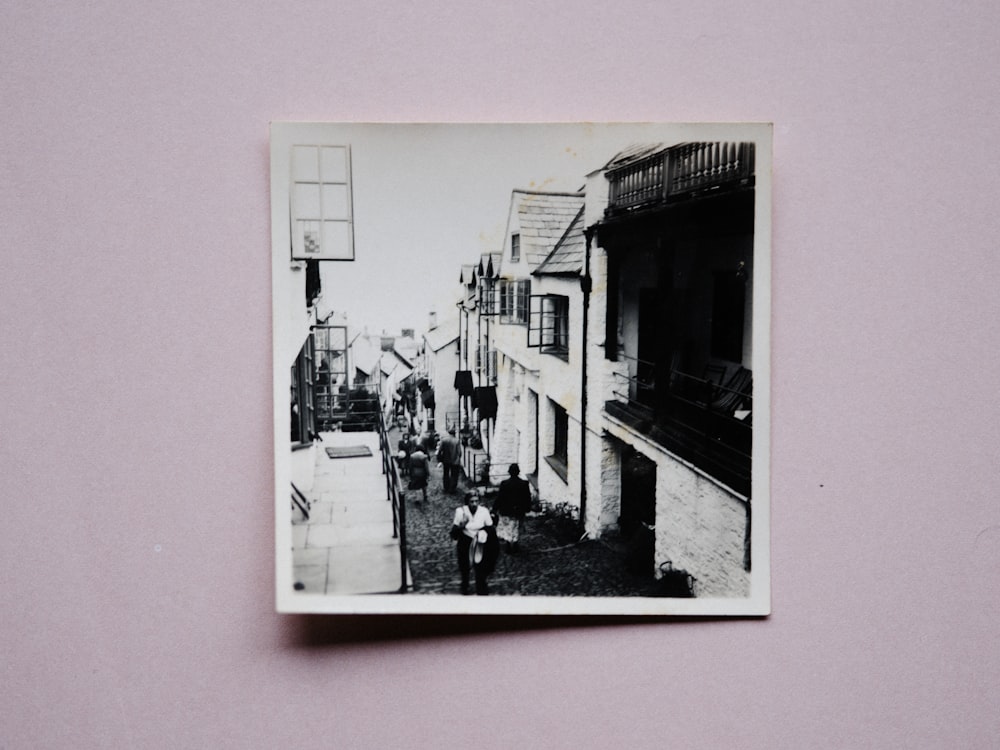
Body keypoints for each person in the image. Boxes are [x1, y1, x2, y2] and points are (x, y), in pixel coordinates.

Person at [450, 490, 497, 595]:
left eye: (476, 501)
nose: (474, 504)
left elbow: (490, 527)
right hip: (465, 540)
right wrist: (462, 525)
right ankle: (465, 585)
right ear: (467, 502)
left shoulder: (484, 511)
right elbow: (454, 532)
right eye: (472, 501)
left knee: (480, 564)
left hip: (480, 540)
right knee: (464, 565)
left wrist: (485, 534)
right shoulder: (460, 512)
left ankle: (481, 586)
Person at [493, 463, 532, 553]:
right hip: (518, 511)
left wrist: (495, 508)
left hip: (506, 511)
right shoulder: (524, 484)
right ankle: (515, 544)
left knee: (508, 528)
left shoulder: (504, 484)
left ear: (509, 472)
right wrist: (527, 508)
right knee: (516, 527)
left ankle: (508, 545)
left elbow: (500, 497)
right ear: (518, 472)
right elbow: (527, 498)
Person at [436, 427, 462, 493]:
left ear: (449, 433)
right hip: (455, 461)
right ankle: (452, 489)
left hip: (446, 460)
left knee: (446, 474)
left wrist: (439, 459)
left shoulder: (444, 440)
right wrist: (458, 457)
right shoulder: (457, 440)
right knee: (454, 475)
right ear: (454, 433)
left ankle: (446, 487)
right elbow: (459, 452)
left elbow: (440, 450)